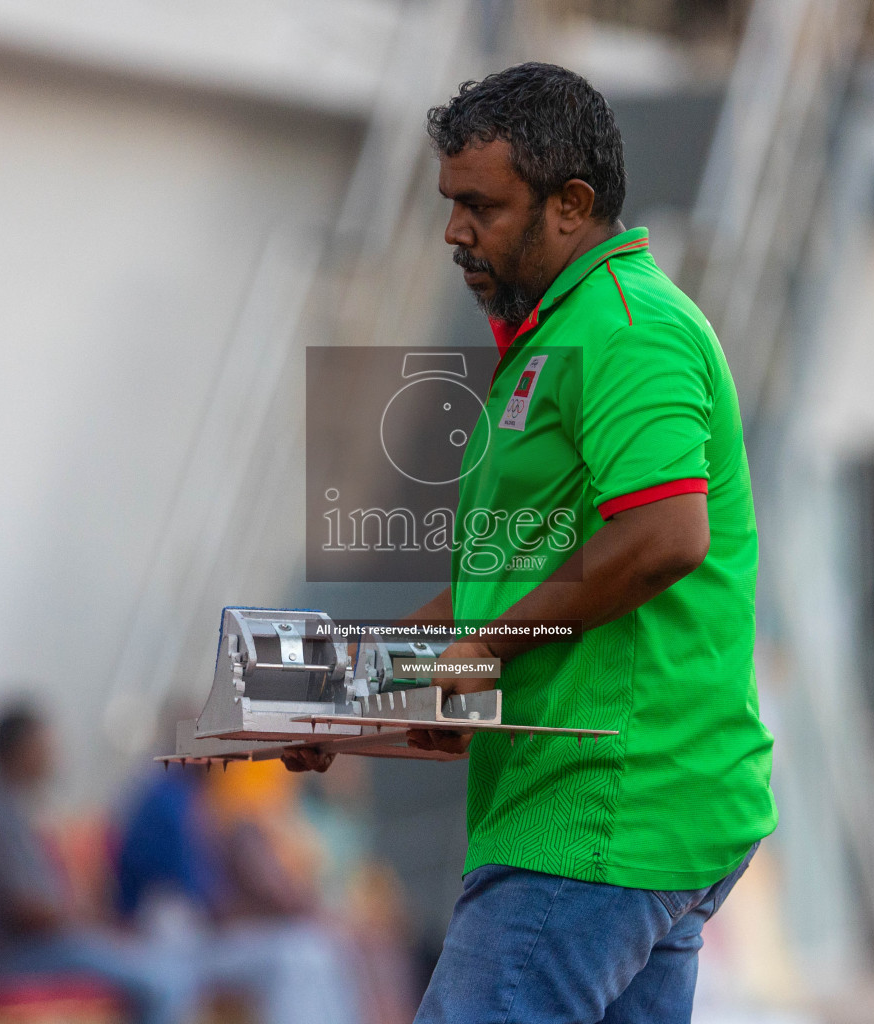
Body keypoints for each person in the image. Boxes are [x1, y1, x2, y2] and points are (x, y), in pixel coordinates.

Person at [285, 63, 777, 1024]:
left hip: (601, 806)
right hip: (605, 808)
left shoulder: (630, 331)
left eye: (482, 205)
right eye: (449, 203)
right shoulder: (554, 339)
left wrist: (477, 656)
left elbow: (664, 537)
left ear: (571, 204)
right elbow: (491, 597)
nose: (453, 230)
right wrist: (343, 693)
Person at [0, 701, 192, 1024]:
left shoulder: (11, 812)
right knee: (159, 984)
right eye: (44, 747)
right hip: (17, 960)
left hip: (48, 949)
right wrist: (87, 922)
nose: (52, 758)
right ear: (19, 752)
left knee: (163, 971)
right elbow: (28, 913)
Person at [114, 761, 358, 1024]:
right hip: (175, 951)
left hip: (203, 938)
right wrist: (275, 905)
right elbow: (209, 907)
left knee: (316, 947)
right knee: (297, 955)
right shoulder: (169, 801)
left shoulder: (208, 796)